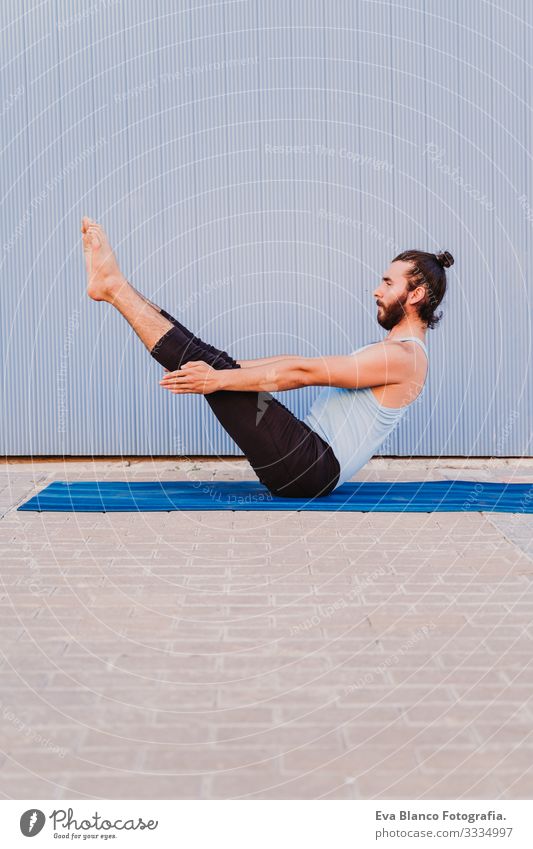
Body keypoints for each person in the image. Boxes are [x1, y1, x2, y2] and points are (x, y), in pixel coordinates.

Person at [80, 217, 453, 498]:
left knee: (216, 367)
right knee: (211, 359)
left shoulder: (403, 357)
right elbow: (297, 361)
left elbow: (304, 371)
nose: (376, 290)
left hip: (309, 468)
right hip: (307, 461)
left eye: (388, 283)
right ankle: (113, 287)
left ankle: (112, 287)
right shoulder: (396, 353)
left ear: (416, 294)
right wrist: (224, 369)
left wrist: (220, 379)